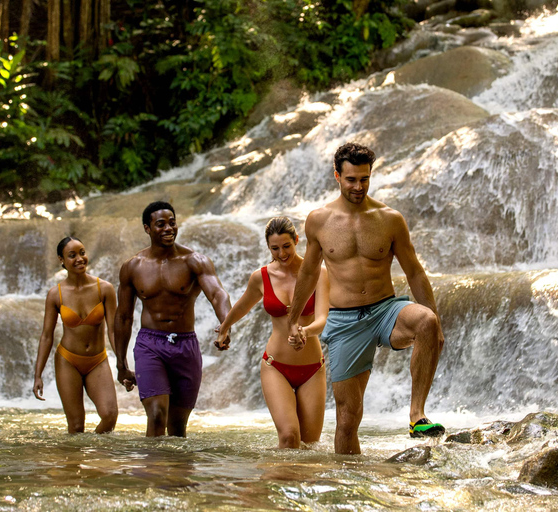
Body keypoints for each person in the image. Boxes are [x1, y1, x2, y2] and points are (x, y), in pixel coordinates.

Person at [286, 142, 446, 455]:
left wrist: (436, 321)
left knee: (426, 321)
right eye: (351, 179)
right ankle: (349, 486)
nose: (358, 186)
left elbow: (414, 272)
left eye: (364, 179)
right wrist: (293, 320)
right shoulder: (319, 220)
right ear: (337, 176)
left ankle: (416, 416)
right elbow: (307, 274)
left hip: (386, 310)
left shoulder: (390, 219)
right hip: (345, 321)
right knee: (347, 419)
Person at [114, 201, 232, 437]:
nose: (168, 228)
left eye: (172, 223)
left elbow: (218, 294)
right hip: (150, 344)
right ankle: (153, 473)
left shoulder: (194, 261)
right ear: (147, 228)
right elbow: (124, 317)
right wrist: (121, 364)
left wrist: (226, 325)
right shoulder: (133, 267)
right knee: (157, 415)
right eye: (160, 224)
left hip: (185, 345)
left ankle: (175, 475)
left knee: (177, 429)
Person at [215, 217, 330, 449]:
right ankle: (271, 481)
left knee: (309, 446)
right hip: (275, 366)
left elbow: (322, 319)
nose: (282, 253)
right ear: (268, 248)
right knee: (289, 438)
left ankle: (291, 483)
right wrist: (225, 328)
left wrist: (305, 331)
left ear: (297, 241)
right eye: (274, 249)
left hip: (312, 370)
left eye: (287, 246)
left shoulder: (319, 273)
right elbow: (242, 306)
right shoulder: (261, 277)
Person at [33, 237, 119, 433]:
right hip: (67, 361)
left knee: (110, 416)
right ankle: (73, 463)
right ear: (61, 260)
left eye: (82, 252)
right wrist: (38, 375)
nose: (80, 259)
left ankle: (97, 459)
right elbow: (47, 336)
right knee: (76, 426)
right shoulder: (56, 294)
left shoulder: (104, 289)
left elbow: (113, 330)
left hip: (98, 360)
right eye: (72, 255)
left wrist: (122, 363)